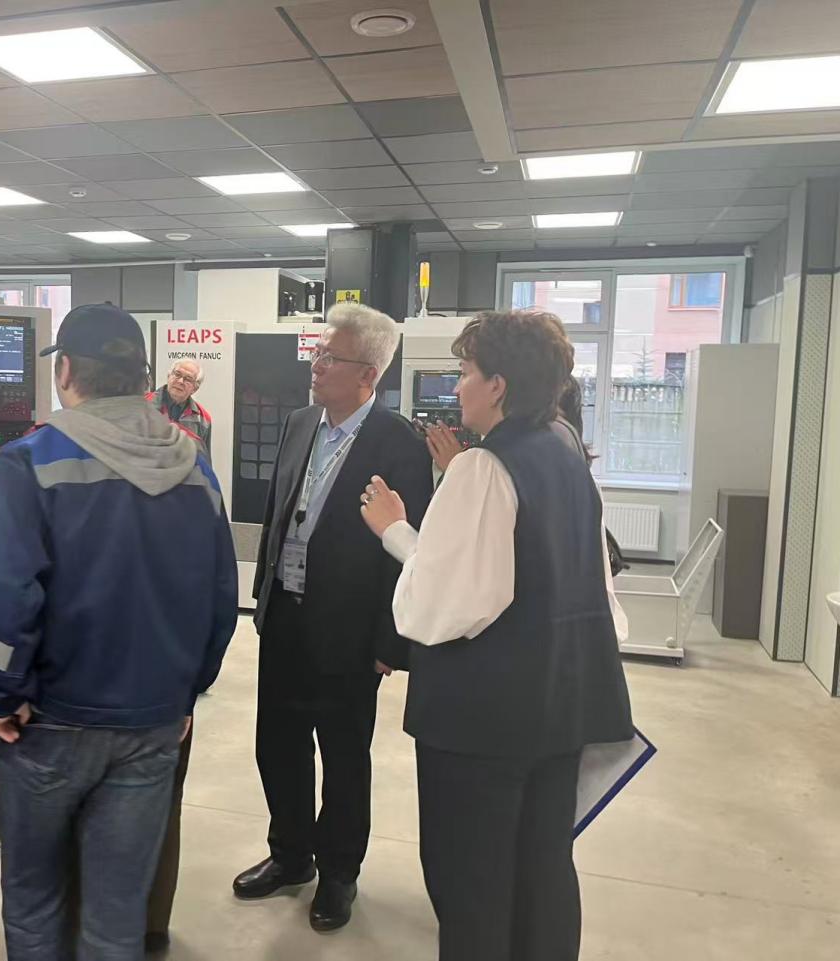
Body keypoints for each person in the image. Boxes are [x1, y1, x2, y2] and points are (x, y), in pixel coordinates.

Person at [0, 303, 238, 961]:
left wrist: (0, 693)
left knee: (34, 899)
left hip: (48, 722)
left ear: (65, 370)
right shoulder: (194, 464)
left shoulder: (29, 461)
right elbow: (221, 599)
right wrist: (184, 693)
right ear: (142, 375)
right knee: (117, 916)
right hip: (152, 724)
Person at [358, 309, 634, 961]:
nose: (456, 387)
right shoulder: (565, 448)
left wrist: (394, 530)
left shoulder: (482, 469)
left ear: (498, 385)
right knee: (542, 872)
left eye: (464, 372)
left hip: (481, 726)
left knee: (472, 884)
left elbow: (440, 607)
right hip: (559, 707)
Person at [233, 302, 434, 932]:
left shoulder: (398, 443)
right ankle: (290, 855)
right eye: (317, 353)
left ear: (368, 374)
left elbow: (409, 549)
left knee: (344, 757)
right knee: (277, 744)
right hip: (285, 618)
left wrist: (389, 643)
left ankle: (339, 872)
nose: (315, 365)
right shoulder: (300, 424)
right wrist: (262, 599)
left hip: (349, 632)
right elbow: (278, 514)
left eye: (330, 357)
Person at [148, 359, 212, 453]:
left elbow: (203, 458)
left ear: (195, 388)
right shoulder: (142, 405)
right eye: (177, 374)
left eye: (188, 379)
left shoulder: (202, 419)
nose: (180, 381)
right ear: (169, 376)